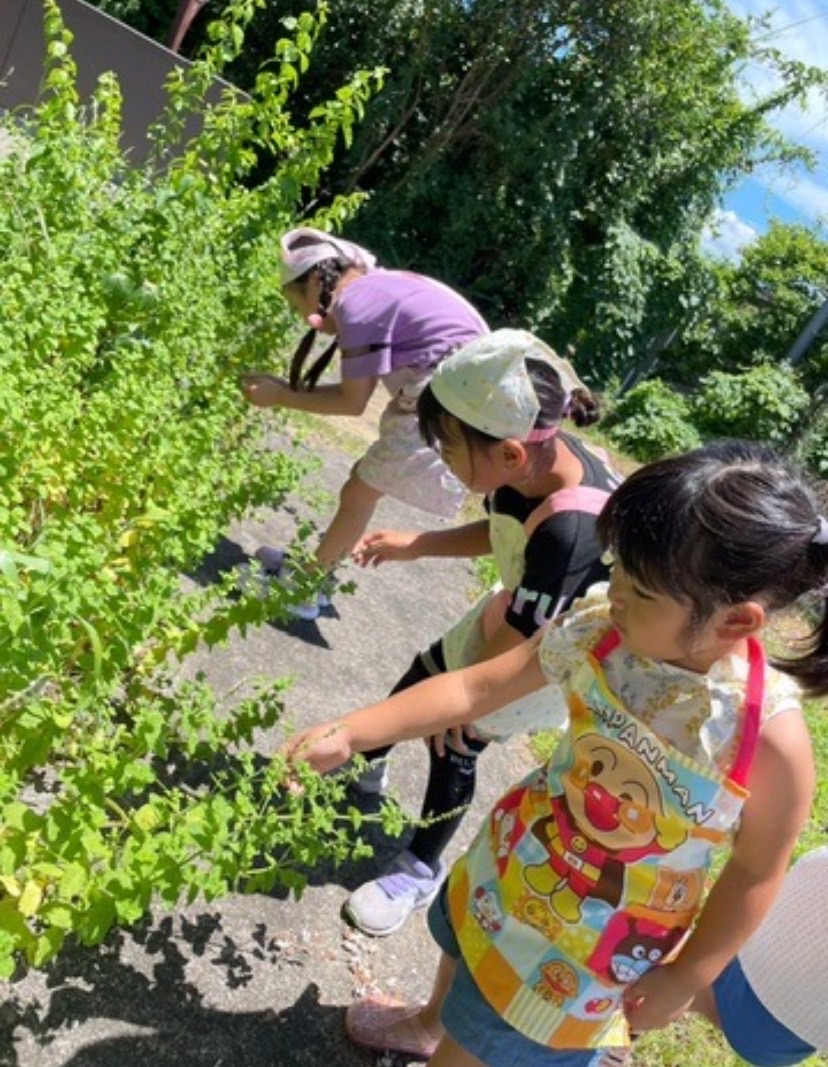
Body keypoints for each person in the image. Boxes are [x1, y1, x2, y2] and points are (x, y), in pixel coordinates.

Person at [284, 440, 827, 1067]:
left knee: (486, 1042)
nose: (614, 591)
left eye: (640, 589)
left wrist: (688, 975)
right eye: (616, 567)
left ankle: (452, 1045)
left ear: (736, 622)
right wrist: (356, 731)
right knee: (462, 939)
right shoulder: (603, 628)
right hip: (519, 851)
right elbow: (477, 684)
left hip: (588, 942)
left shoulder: (767, 740)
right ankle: (429, 1022)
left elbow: (756, 871)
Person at [342, 328, 622, 937]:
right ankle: (365, 765)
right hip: (519, 610)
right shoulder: (530, 464)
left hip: (543, 662)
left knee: (455, 740)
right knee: (422, 675)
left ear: (510, 454)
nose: (441, 458)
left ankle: (419, 866)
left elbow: (507, 665)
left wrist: (467, 698)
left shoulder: (572, 533)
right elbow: (503, 529)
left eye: (447, 450)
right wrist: (417, 546)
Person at [240, 226, 488, 619]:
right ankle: (315, 575)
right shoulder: (376, 287)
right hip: (457, 395)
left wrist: (280, 396)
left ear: (319, 280)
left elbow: (351, 403)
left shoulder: (356, 306)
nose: (306, 319)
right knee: (362, 488)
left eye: (297, 303)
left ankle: (303, 590)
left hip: (445, 402)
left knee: (358, 492)